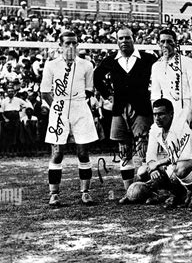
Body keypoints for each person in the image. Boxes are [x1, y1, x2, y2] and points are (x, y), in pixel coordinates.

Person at [94, 27, 157, 204]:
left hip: (142, 108)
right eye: (120, 38)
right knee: (124, 151)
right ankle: (128, 191)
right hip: (119, 109)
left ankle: (149, 191)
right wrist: (108, 95)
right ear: (116, 41)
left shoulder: (147, 58)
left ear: (133, 38)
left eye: (127, 38)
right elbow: (97, 77)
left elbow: (161, 72)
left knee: (144, 150)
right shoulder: (111, 60)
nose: (124, 41)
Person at [41, 30, 98, 207]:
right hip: (59, 108)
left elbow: (89, 90)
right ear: (61, 46)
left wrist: (77, 103)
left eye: (74, 43)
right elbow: (44, 92)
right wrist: (57, 108)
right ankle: (54, 194)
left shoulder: (87, 65)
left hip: (80, 107)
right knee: (57, 153)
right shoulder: (51, 65)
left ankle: (85, 192)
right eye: (68, 44)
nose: (72, 47)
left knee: (83, 152)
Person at [138, 98, 192, 211]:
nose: (157, 118)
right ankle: (179, 194)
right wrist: (153, 168)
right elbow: (150, 154)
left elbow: (182, 157)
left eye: (161, 114)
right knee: (142, 171)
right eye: (155, 114)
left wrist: (159, 163)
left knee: (180, 169)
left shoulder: (181, 126)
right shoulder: (155, 129)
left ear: (171, 114)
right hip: (174, 164)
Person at [150, 29, 192, 130]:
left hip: (184, 108)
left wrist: (191, 113)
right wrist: (157, 116)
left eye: (169, 41)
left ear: (175, 43)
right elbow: (155, 95)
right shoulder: (156, 66)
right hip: (165, 112)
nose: (165, 45)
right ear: (158, 43)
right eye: (162, 41)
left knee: (185, 143)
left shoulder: (187, 62)